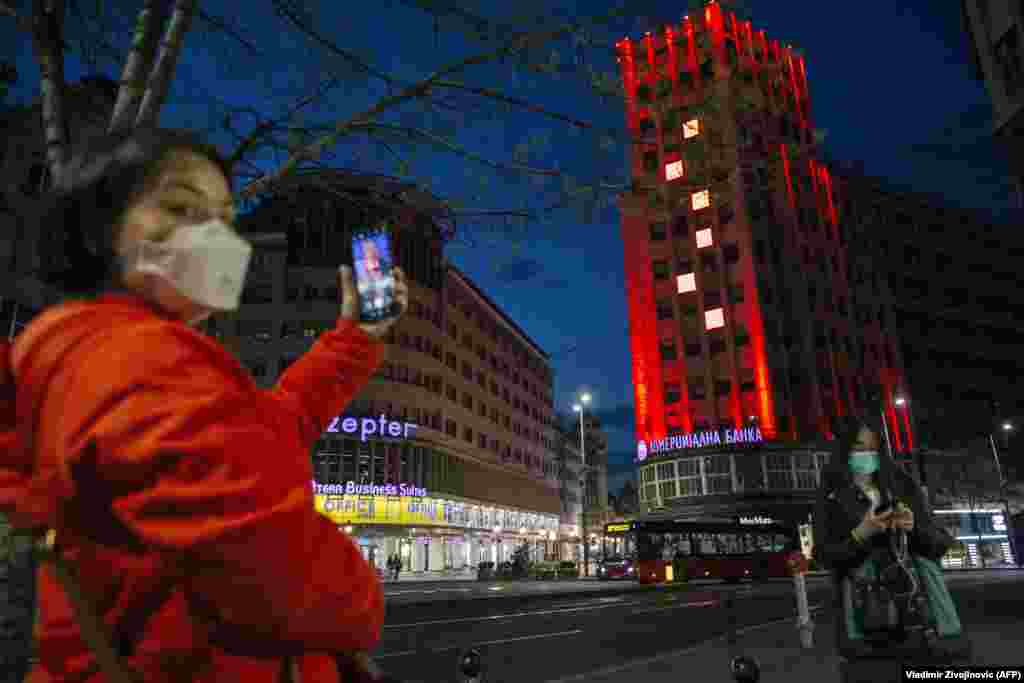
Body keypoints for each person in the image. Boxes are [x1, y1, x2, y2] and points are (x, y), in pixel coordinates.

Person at [0, 128, 409, 682]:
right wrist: (362, 596)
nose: (212, 235)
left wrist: (356, 338)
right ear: (101, 228)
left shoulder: (106, 355)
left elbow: (269, 427)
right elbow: (278, 573)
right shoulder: (137, 358)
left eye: (223, 216)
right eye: (179, 206)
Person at [814, 415, 971, 681]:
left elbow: (940, 544)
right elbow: (823, 557)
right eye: (859, 448)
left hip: (919, 616)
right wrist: (860, 534)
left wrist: (913, 528)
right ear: (844, 450)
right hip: (864, 619)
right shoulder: (832, 494)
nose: (867, 455)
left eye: (873, 448)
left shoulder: (902, 483)